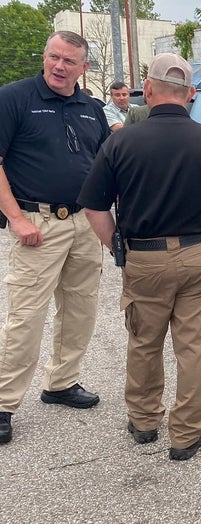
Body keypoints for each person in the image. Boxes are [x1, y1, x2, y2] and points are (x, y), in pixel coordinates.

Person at [78, 53, 201, 461]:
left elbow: (94, 207)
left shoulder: (120, 141)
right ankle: (187, 434)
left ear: (150, 89)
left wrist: (116, 247)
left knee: (143, 341)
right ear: (191, 95)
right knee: (194, 348)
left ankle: (143, 422)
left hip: (145, 258)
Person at [0, 30, 110, 445]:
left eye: (69, 61)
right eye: (54, 58)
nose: (59, 67)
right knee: (26, 315)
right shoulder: (13, 98)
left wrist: (107, 224)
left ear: (84, 68)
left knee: (80, 310)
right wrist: (16, 219)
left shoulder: (91, 108)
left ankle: (62, 383)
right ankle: (3, 403)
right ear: (44, 56)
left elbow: (103, 164)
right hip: (37, 225)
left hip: (84, 222)